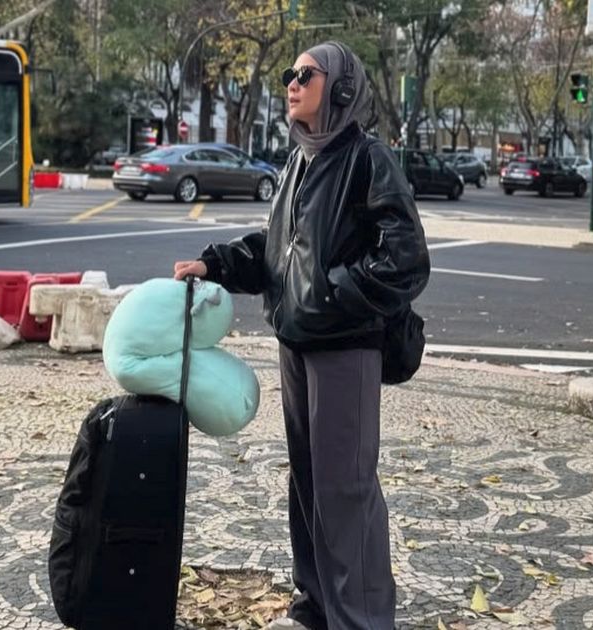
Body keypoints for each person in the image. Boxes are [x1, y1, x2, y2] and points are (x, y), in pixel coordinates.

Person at [173, 41, 429, 630]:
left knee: (346, 490)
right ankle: (314, 607)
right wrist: (214, 263)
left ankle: (361, 619)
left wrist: (335, 294)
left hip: (345, 348)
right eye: (290, 73)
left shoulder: (368, 159)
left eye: (305, 74)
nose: (291, 82)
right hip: (296, 343)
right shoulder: (297, 163)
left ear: (341, 89)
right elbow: (276, 251)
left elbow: (407, 259)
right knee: (309, 484)